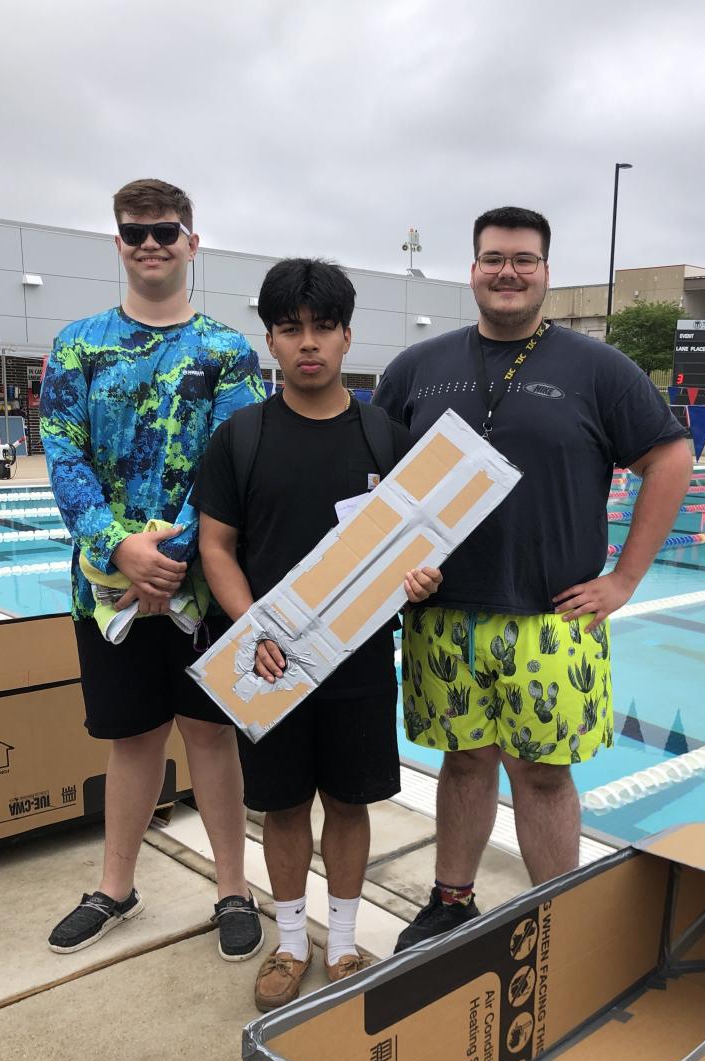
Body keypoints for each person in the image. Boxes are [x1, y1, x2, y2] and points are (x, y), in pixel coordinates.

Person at [373, 206, 693, 951]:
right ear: (473, 269)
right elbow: (374, 475)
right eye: (493, 259)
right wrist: (387, 570)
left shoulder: (596, 367)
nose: (507, 272)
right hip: (443, 612)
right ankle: (451, 900)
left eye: (523, 259)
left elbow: (669, 459)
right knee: (463, 761)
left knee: (543, 776)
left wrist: (625, 579)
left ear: (546, 272)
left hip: (553, 615)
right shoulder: (417, 368)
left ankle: (558, 913)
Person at [191, 258, 441, 1010]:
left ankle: (342, 940)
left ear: (346, 336)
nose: (308, 343)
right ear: (269, 341)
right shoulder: (240, 438)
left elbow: (415, 548)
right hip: (272, 659)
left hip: (359, 661)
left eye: (322, 328)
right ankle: (291, 941)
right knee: (287, 805)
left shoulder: (383, 437)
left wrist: (418, 579)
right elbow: (215, 546)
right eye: (290, 329)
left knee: (350, 800)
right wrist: (254, 623)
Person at [40, 178, 266, 961]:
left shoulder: (227, 351)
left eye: (166, 232)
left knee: (210, 736)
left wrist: (167, 557)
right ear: (118, 244)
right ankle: (115, 887)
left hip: (202, 587)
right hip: (109, 591)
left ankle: (233, 890)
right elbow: (64, 455)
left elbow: (239, 467)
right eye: (135, 233)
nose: (150, 245)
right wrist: (118, 548)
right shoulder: (77, 345)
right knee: (132, 739)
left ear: (191, 243)